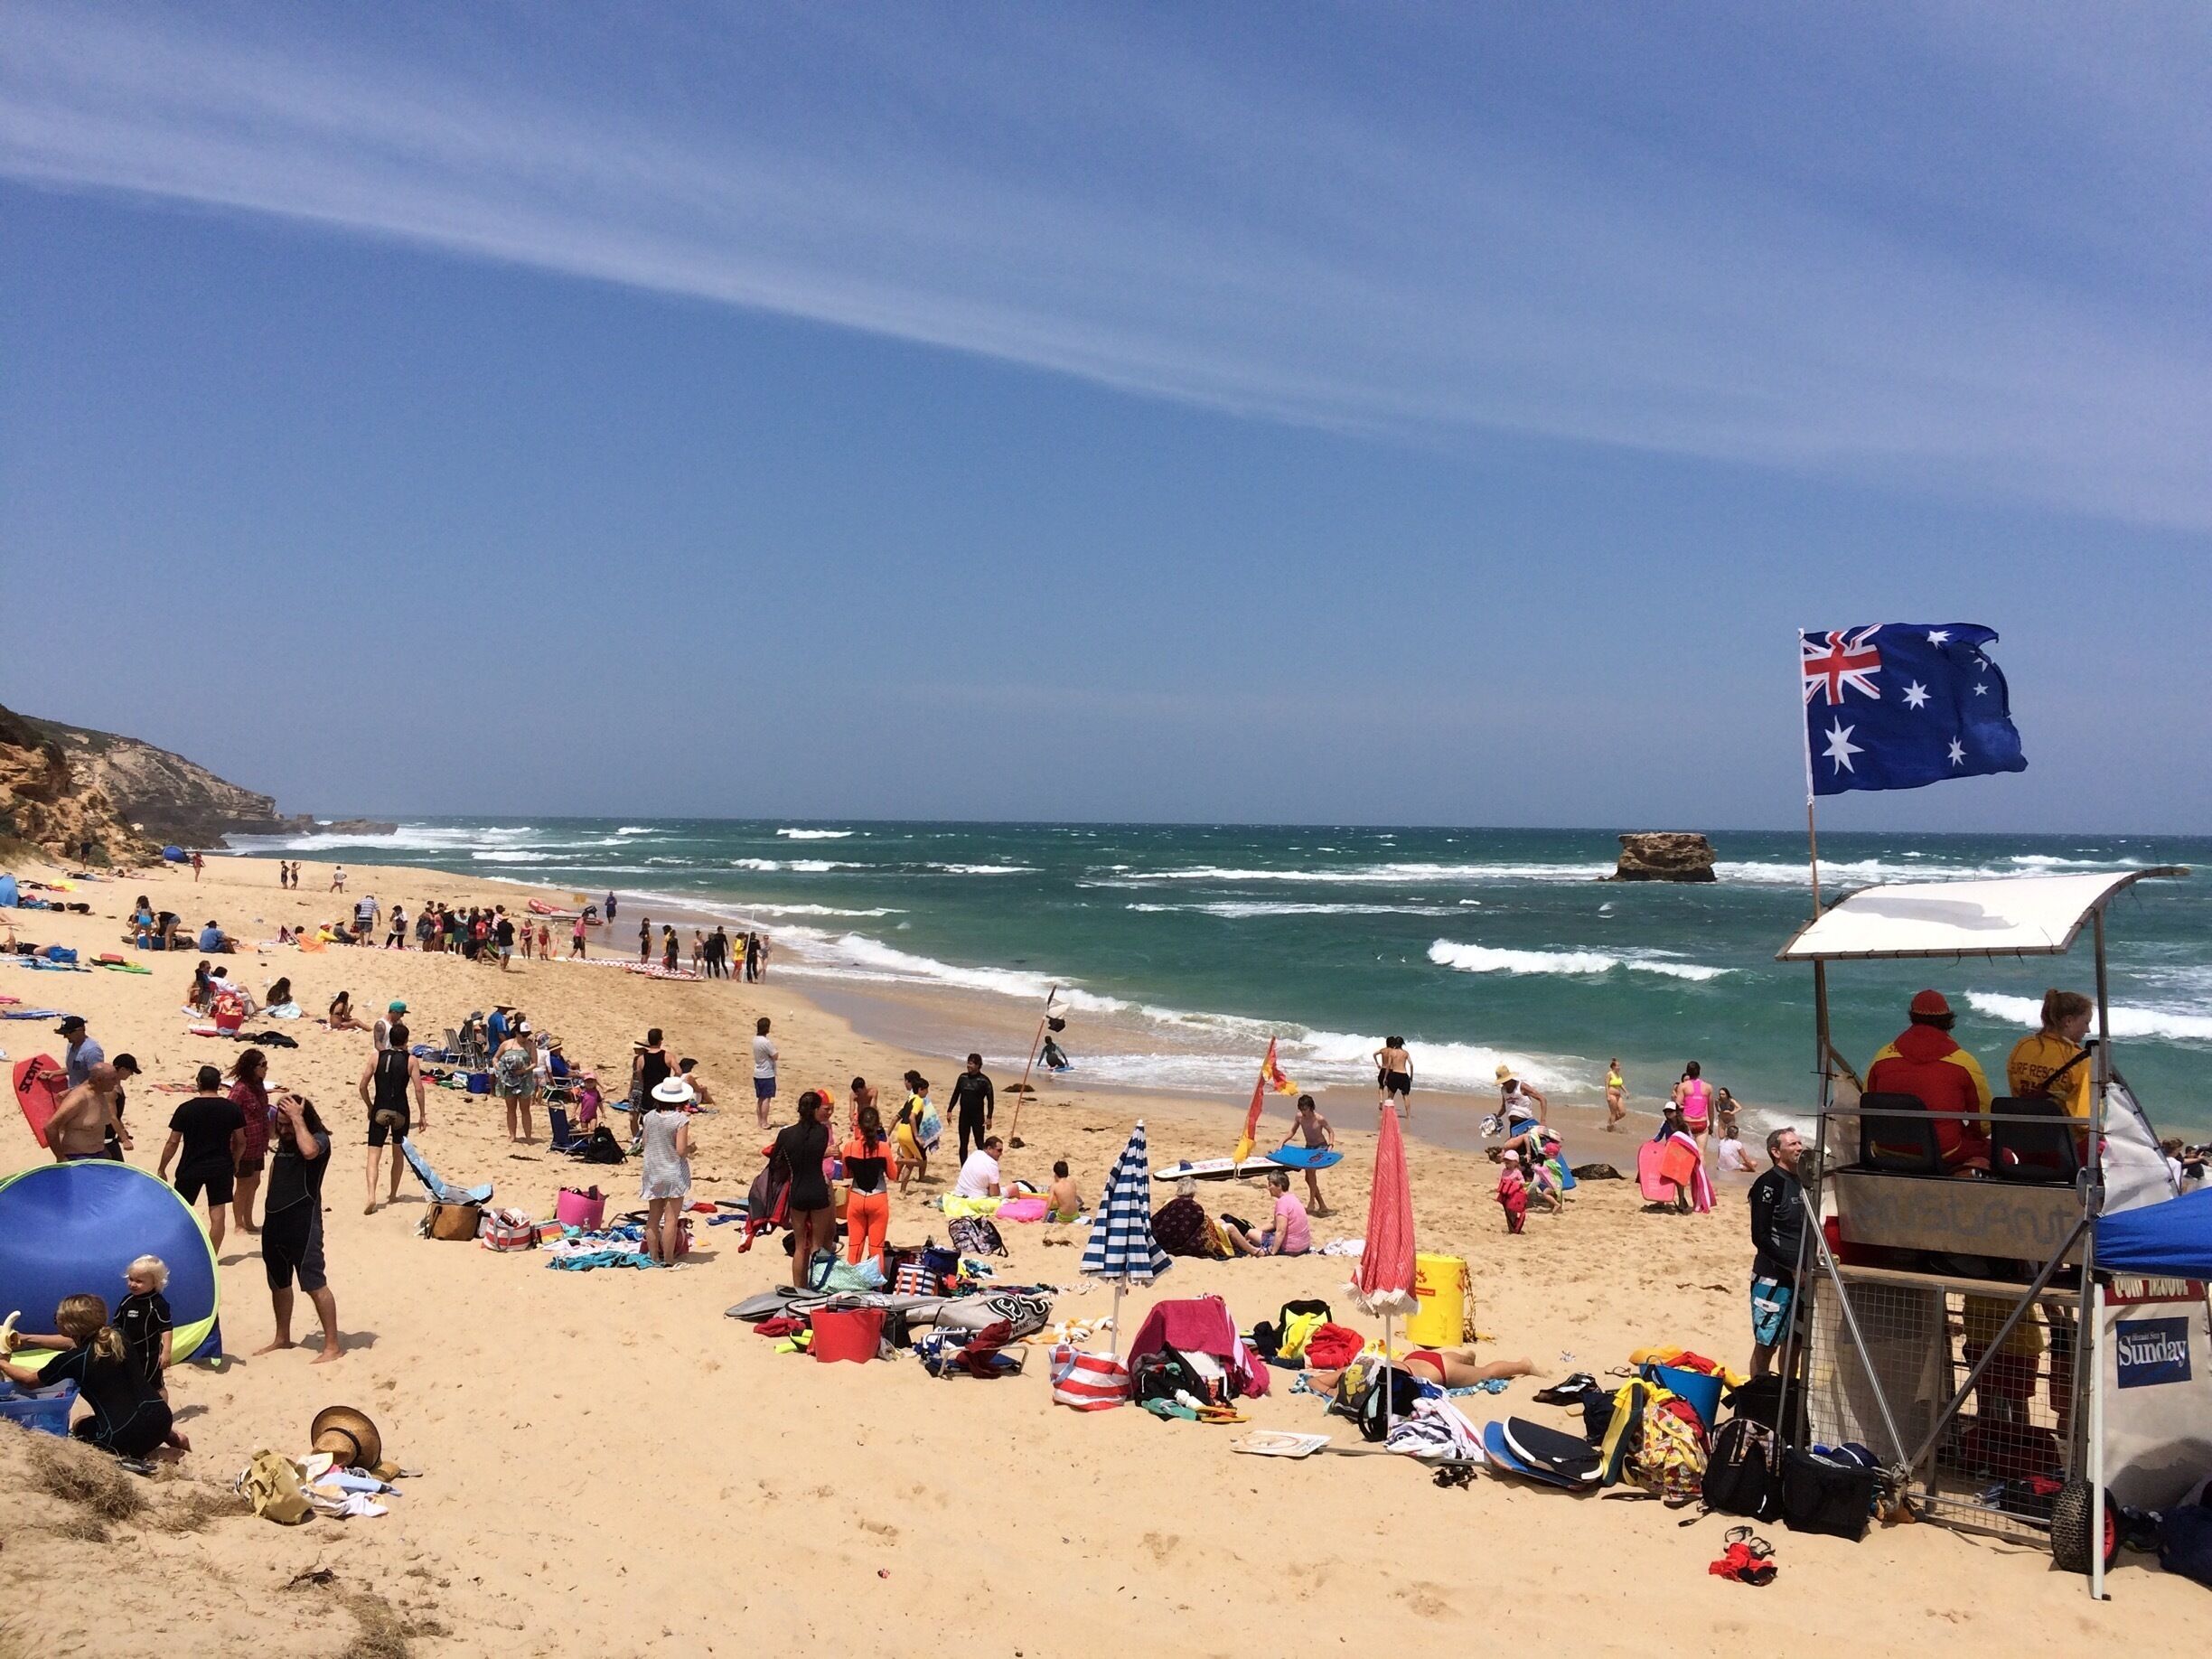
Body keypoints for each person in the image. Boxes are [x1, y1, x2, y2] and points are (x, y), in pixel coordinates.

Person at [0, 1294, 174, 1457]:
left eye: (57, 1319)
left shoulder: (72, 1360)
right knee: (134, 1410)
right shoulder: (118, 1336)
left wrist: (2, 1363)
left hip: (124, 1436)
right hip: (163, 1421)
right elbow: (72, 1342)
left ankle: (154, 1454)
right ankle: (172, 1439)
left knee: (80, 1424)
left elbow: (29, 1381)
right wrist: (26, 1339)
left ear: (69, 1327)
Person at [1866, 989, 1993, 1173]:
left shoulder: (1882, 1056)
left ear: (1913, 1017)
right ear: (1947, 1020)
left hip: (1887, 1148)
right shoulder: (1964, 1062)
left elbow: (1867, 1108)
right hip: (1943, 1151)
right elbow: (1983, 1125)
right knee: (2003, 1155)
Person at [257, 1092, 342, 1364]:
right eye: (279, 1124)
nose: (282, 1130)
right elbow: (273, 1178)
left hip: (303, 1223)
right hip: (275, 1222)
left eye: (287, 1124)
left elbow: (309, 1152)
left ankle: (332, 1346)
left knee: (315, 1284)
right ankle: (283, 1338)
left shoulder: (318, 1140)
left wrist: (296, 1119)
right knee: (278, 1283)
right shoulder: (283, 1142)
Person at [158, 1064, 245, 1252]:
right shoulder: (232, 1109)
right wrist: (235, 1162)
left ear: (199, 1082)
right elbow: (241, 1142)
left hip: (191, 1165)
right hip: (221, 1166)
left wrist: (162, 1167)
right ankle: (212, 1255)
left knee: (181, 1211)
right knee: (218, 1212)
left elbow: (173, 1142)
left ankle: (179, 1250)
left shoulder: (186, 1109)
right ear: (219, 1084)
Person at [1748, 1128, 1805, 1376]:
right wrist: (1791, 1267)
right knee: (1767, 1343)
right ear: (1776, 1151)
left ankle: (1787, 1393)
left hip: (1802, 1279)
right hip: (1773, 1278)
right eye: (1792, 1144)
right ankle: (1758, 1396)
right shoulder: (1768, 1184)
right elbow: (1759, 1236)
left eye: (1800, 1142)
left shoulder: (1803, 1182)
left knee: (1795, 1345)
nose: (1799, 1147)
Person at [360, 1025, 426, 1214]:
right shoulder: (411, 1060)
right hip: (400, 1110)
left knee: (373, 1156)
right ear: (406, 1040)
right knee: (398, 1154)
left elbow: (362, 1086)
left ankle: (372, 1195)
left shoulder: (376, 1057)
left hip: (380, 1108)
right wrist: (422, 1114)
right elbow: (418, 1088)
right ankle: (393, 1194)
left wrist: (370, 1106)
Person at [2006, 988, 2094, 1129]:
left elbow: (2015, 1091)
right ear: (2069, 1021)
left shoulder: (2022, 1047)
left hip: (2022, 1135)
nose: (2088, 1030)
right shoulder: (2080, 1061)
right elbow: (2083, 1121)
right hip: (2063, 1143)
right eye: (2086, 1023)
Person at [774, 1091, 837, 1289]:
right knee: (818, 1246)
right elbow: (817, 1153)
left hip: (798, 1190)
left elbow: (777, 1162)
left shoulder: (786, 1134)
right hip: (818, 1188)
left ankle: (799, 1289)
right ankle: (816, 1288)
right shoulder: (822, 1132)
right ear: (816, 1109)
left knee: (800, 1246)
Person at [640, 1077, 696, 1265]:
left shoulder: (648, 1117)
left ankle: (654, 1257)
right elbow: (680, 1150)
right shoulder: (680, 1120)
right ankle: (669, 1259)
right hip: (672, 1172)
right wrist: (691, 1149)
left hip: (653, 1169)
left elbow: (645, 1143)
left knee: (653, 1218)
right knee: (671, 1219)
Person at [840, 1105, 897, 1271]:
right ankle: (876, 1286)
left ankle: (851, 1282)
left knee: (855, 1246)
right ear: (878, 1125)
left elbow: (846, 1174)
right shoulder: (883, 1148)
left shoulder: (849, 1147)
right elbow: (893, 1175)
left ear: (859, 1125)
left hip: (857, 1196)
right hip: (878, 1197)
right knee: (876, 1247)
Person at [228, 1048, 276, 1234]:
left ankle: (248, 1220)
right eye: (263, 1065)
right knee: (243, 1183)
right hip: (244, 1145)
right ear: (252, 1067)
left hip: (259, 1143)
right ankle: (238, 1223)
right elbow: (229, 1113)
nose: (266, 1068)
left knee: (255, 1181)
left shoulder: (259, 1085)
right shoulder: (240, 1089)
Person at [47, 1064, 129, 1162]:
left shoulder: (103, 1093)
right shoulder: (78, 1099)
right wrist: (60, 1157)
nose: (116, 1083)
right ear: (99, 1080)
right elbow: (50, 1127)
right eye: (112, 1079)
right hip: (77, 1157)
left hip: (101, 1153)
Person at [1224, 1169, 1310, 1256]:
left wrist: (1273, 1251)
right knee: (1255, 1232)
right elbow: (1276, 1223)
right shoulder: (1293, 1198)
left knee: (1250, 1233)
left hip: (1291, 1248)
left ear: (1279, 1186)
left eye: (1270, 1185)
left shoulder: (1282, 1203)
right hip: (1304, 1245)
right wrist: (1258, 1230)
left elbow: (1281, 1231)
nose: (1268, 1188)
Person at [1280, 1094, 1335, 1215]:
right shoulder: (1300, 1117)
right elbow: (1292, 1131)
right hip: (1309, 1147)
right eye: (1301, 1109)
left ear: (1311, 1107)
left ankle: (1311, 1203)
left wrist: (1331, 1145)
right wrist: (1282, 1141)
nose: (1303, 1112)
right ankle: (1322, 1205)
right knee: (1308, 1178)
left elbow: (1330, 1131)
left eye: (1305, 1109)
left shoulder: (1319, 1119)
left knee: (1311, 1173)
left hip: (1320, 1148)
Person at [1151, 1177, 1230, 1259]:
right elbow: (1201, 1228)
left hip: (1166, 1243)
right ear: (1193, 1192)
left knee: (1221, 1222)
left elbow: (1157, 1220)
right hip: (1189, 1244)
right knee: (1224, 1224)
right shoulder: (1196, 1207)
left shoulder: (1171, 1203)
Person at [949, 1052, 996, 1162]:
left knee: (979, 1143)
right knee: (963, 1143)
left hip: (978, 1117)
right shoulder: (962, 1078)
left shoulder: (984, 1081)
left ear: (978, 1065)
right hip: (964, 1116)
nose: (968, 1066)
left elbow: (990, 1100)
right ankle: (963, 1167)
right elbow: (956, 1094)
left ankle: (983, 1166)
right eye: (968, 1063)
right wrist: (949, 1110)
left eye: (971, 1064)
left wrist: (989, 1117)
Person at [894, 1073, 935, 1193]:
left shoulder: (910, 1098)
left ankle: (902, 1190)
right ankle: (899, 1161)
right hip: (909, 1133)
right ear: (920, 1089)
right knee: (921, 1161)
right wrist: (917, 1135)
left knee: (910, 1163)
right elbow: (912, 1117)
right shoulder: (919, 1100)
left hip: (901, 1131)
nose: (927, 1092)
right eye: (926, 1090)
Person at [494, 1023, 536, 1143]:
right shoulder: (507, 1044)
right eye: (523, 1035)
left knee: (525, 1109)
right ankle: (512, 1135)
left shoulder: (530, 1046)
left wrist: (524, 1070)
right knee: (511, 1109)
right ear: (517, 1033)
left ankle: (528, 1136)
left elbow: (534, 1062)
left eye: (527, 1035)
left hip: (524, 1080)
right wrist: (497, 1066)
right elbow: (496, 1057)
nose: (525, 1037)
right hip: (508, 1080)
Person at [1672, 1061, 1714, 1164]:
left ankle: (1685, 1177)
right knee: (1701, 1153)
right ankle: (1700, 1178)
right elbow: (1711, 1109)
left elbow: (1677, 1105)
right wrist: (1711, 1126)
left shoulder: (1683, 1086)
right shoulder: (1708, 1087)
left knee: (1685, 1151)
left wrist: (1675, 1124)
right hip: (1702, 1123)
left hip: (1687, 1122)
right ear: (1699, 1071)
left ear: (1687, 1072)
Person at [1495, 1066, 1547, 1133]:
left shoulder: (1521, 1086)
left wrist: (1543, 1120)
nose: (1503, 1084)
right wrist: (1497, 1117)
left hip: (1526, 1122)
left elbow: (1542, 1099)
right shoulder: (1503, 1090)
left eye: (1505, 1081)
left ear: (1510, 1078)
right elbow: (1504, 1107)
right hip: (1514, 1125)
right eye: (1502, 1082)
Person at [58, 1015, 104, 1088]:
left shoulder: (92, 1051)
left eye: (68, 1033)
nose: (65, 1037)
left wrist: (70, 1091)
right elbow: (75, 1069)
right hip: (73, 1094)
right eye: (64, 1034)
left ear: (81, 1030)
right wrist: (54, 1073)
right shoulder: (71, 1045)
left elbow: (95, 1079)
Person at [953, 1134, 1005, 1199]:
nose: (1001, 1154)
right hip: (976, 1199)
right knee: (1014, 1188)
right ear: (989, 1148)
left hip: (959, 1194)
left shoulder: (975, 1153)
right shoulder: (992, 1163)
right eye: (999, 1150)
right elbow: (994, 1194)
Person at [1374, 1036, 1413, 1120]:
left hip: (1395, 1075)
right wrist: (1411, 1076)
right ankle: (1408, 1115)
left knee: (1390, 1097)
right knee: (1405, 1096)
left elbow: (1388, 1066)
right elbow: (1411, 1064)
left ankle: (1387, 1114)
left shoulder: (1392, 1052)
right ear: (1402, 1043)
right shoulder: (1405, 1053)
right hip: (1404, 1075)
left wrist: (1385, 1077)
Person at [752, 1017, 779, 1129]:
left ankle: (760, 1121)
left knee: (761, 1098)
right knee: (766, 1099)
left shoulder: (755, 1040)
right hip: (766, 1073)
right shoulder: (765, 1042)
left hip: (758, 1072)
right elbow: (775, 1056)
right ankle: (764, 1122)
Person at [1045, 1158, 1085, 1223]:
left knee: (1051, 1214)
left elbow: (1048, 1206)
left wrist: (1043, 1219)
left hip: (1063, 1217)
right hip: (1075, 1215)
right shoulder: (1072, 1183)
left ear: (1056, 1174)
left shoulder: (1054, 1186)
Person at [1604, 1058, 1627, 1130]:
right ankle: (1611, 1127)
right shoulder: (1609, 1074)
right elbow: (1606, 1085)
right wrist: (1608, 1095)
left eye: (1619, 1066)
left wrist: (1626, 1092)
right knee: (1613, 1113)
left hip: (1618, 1095)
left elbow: (1620, 1084)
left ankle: (1610, 1123)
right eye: (1618, 1066)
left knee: (1622, 1112)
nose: (1619, 1067)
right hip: (1611, 1095)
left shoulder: (1618, 1075)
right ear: (1613, 1067)